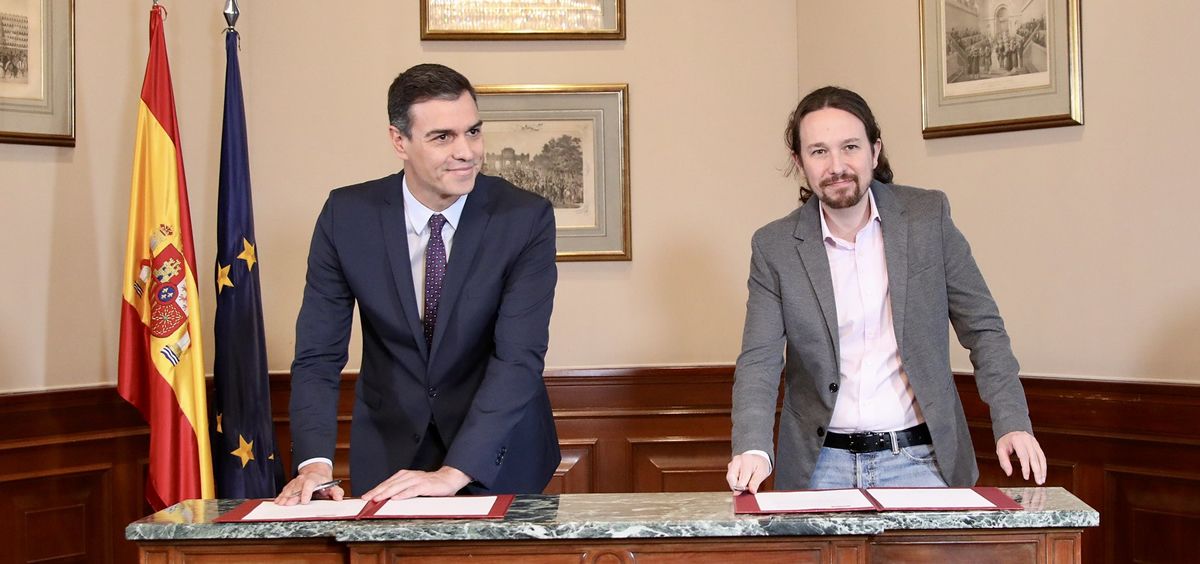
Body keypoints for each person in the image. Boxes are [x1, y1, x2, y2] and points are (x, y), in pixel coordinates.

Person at [726, 86, 1046, 493]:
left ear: (874, 151)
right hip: (820, 469)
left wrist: (1012, 421)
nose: (837, 166)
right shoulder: (774, 247)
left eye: (850, 147)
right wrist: (752, 446)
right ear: (799, 162)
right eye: (819, 151)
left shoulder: (928, 218)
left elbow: (984, 329)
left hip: (923, 462)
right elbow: (759, 359)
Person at [276, 63, 560, 505]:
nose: (466, 152)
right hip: (389, 451)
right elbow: (318, 353)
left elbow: (518, 357)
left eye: (473, 132)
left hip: (499, 454)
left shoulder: (524, 218)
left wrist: (453, 473)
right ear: (399, 141)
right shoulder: (346, 216)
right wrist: (315, 463)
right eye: (442, 137)